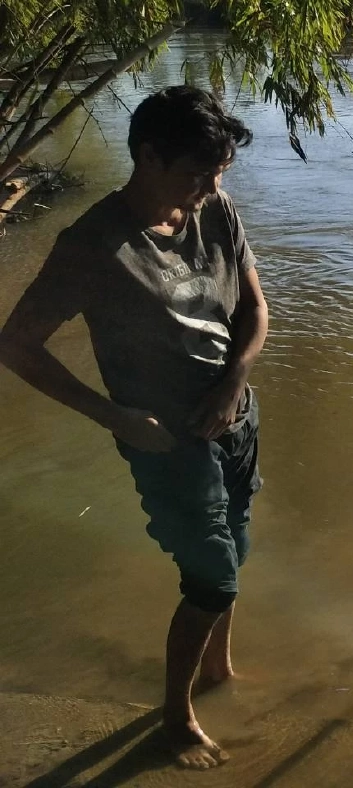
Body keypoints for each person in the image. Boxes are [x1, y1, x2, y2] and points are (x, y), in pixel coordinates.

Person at [0, 86, 266, 770]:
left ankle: (220, 673)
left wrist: (236, 379)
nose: (209, 189)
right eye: (196, 174)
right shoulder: (92, 245)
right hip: (164, 440)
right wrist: (110, 415)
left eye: (217, 175)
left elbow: (256, 311)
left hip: (234, 417)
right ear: (148, 156)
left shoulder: (218, 211)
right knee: (214, 580)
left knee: (233, 550)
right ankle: (176, 717)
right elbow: (19, 343)